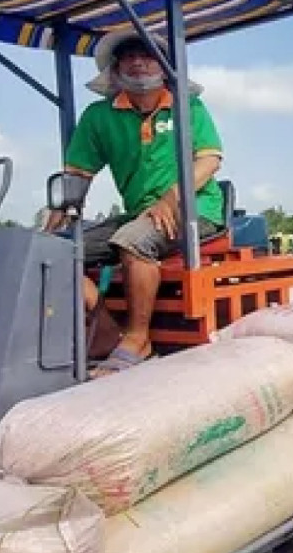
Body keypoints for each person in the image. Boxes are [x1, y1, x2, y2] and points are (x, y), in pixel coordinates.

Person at [42, 30, 225, 377]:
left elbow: (209, 160)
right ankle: (109, 335)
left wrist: (169, 201)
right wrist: (54, 219)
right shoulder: (99, 116)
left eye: (149, 54)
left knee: (133, 240)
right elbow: (77, 175)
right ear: (115, 68)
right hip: (138, 213)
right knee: (50, 252)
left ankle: (139, 340)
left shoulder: (189, 106)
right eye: (128, 56)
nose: (139, 62)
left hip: (196, 209)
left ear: (165, 66)